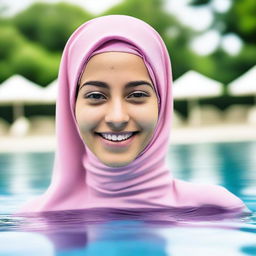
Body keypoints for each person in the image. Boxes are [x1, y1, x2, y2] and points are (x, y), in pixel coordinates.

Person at [18, 15, 248, 214]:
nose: (117, 118)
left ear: (162, 101)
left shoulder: (217, 209)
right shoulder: (31, 218)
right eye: (96, 96)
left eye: (137, 94)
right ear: (71, 105)